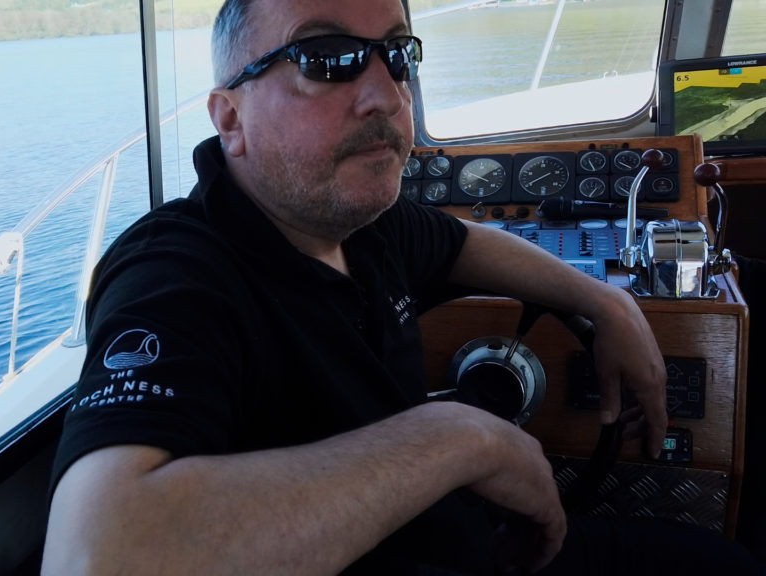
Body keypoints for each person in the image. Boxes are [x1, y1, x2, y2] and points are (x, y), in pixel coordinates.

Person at [41, 0, 764, 574]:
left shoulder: (363, 221)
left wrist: (605, 302)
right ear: (230, 119)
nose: (385, 95)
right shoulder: (177, 274)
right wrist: (454, 440)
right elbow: (97, 557)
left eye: (397, 54)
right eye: (326, 59)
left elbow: (468, 243)